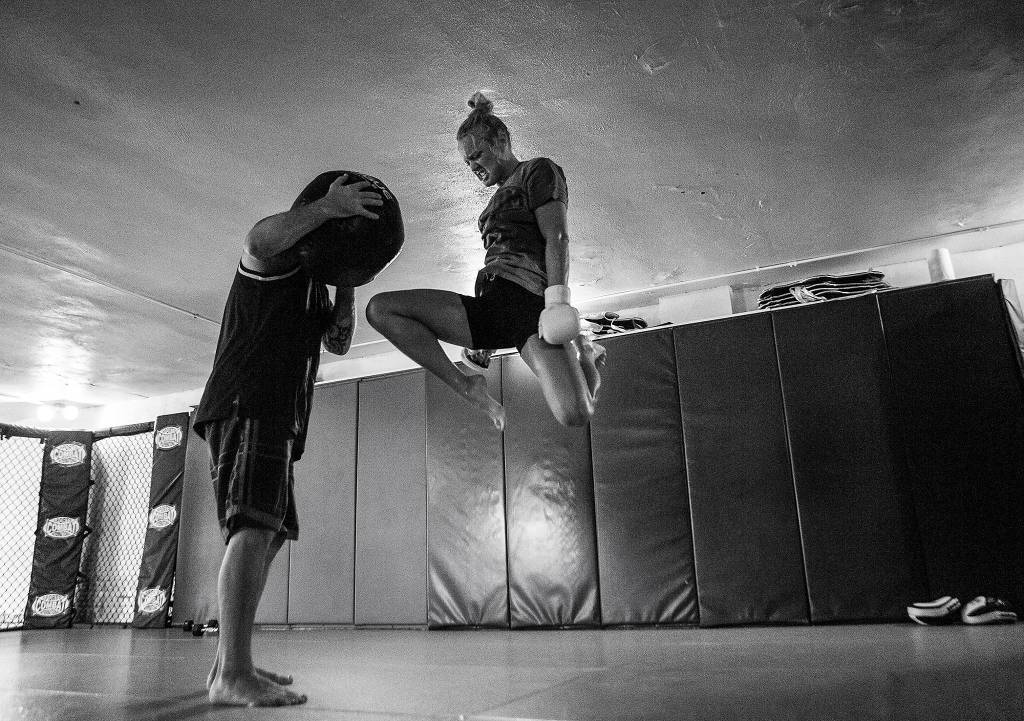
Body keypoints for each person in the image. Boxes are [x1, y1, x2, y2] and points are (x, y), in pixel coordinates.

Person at [193, 174, 383, 706]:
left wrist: (346, 277)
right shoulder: (277, 261)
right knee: (253, 526)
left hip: (277, 414)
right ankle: (232, 673)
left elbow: (340, 342)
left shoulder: (315, 283)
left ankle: (227, 666)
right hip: (248, 400)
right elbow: (254, 240)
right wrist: (329, 206)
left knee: (267, 531)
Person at [366, 92, 605, 431]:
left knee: (575, 414)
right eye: (467, 163)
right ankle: (466, 384)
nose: (473, 167)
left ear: (502, 141)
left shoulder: (538, 171)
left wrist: (557, 303)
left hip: (529, 308)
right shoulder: (491, 204)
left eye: (477, 155)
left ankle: (588, 355)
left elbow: (558, 237)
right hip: (491, 305)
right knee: (381, 309)